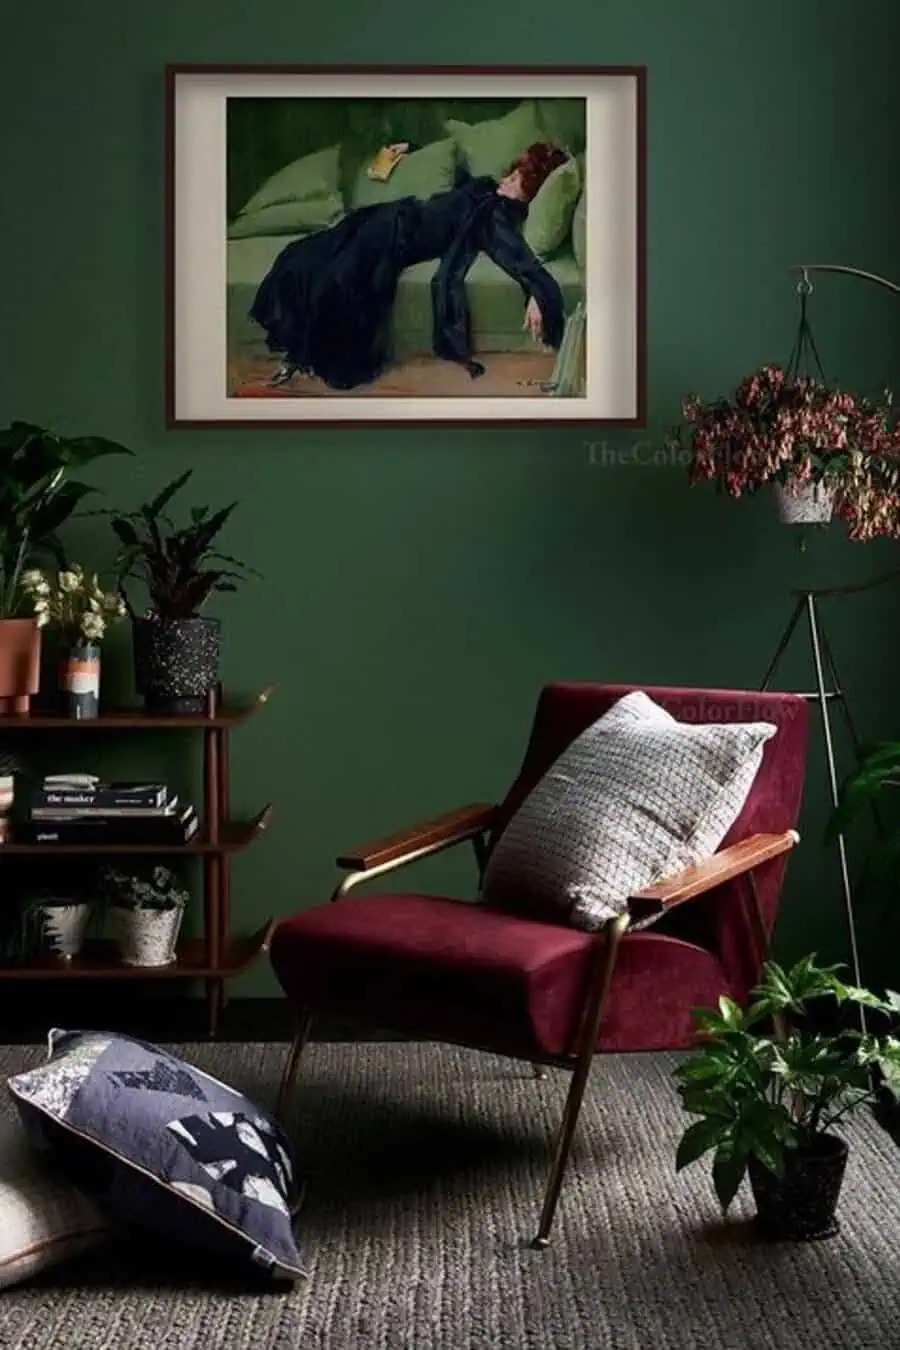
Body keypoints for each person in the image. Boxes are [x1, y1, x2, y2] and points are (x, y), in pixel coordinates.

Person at [249, 141, 570, 391]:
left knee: (339, 276)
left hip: (397, 237)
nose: (505, 180)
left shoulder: (498, 213)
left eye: (515, 180)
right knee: (303, 254)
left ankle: (302, 355)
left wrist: (536, 293)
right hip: (388, 218)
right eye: (510, 173)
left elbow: (516, 255)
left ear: (528, 195)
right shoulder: (486, 189)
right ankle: (298, 351)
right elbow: (456, 176)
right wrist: (411, 150)